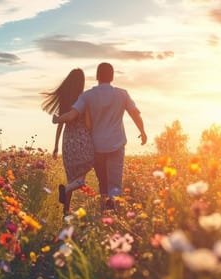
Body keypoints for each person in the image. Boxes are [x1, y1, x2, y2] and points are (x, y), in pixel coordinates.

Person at [53, 62, 147, 210]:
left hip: (97, 147)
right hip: (116, 145)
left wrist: (57, 119)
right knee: (115, 184)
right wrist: (142, 131)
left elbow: (72, 115)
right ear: (112, 76)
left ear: (97, 76)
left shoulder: (87, 96)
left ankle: (104, 213)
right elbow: (135, 113)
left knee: (102, 182)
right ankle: (113, 215)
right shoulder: (122, 94)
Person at [42, 68, 94, 215]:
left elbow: (61, 123)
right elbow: (89, 124)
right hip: (82, 140)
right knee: (81, 177)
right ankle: (65, 191)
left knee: (71, 177)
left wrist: (56, 145)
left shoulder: (66, 100)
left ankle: (66, 211)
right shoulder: (84, 99)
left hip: (68, 140)